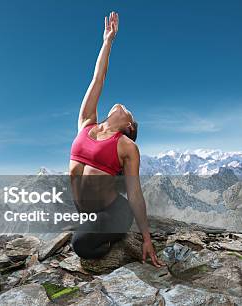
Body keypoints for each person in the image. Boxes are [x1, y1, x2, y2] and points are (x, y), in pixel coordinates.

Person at [69, 12, 163, 267]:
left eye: (127, 110)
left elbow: (134, 192)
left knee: (80, 245)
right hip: (88, 211)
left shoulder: (126, 146)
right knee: (78, 236)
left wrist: (146, 238)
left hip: (114, 211)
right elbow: (97, 78)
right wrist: (107, 42)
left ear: (129, 126)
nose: (121, 105)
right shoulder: (86, 122)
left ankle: (118, 238)